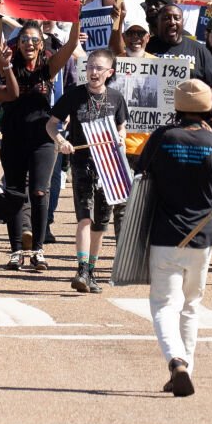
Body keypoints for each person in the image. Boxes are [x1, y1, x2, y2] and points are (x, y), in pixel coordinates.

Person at [131, 78, 212, 398]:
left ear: (177, 107)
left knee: (164, 306)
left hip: (165, 233)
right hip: (203, 236)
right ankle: (187, 369)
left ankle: (175, 361)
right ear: (207, 108)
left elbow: (142, 173)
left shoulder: (162, 137)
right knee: (191, 306)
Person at [0, 14, 82, 272]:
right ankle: (16, 250)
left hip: (42, 138)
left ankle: (38, 250)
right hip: (14, 136)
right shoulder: (9, 63)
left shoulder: (48, 67)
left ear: (41, 44)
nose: (29, 44)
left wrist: (75, 14)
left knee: (40, 192)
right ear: (17, 43)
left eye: (34, 40)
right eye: (24, 39)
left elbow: (73, 42)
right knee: (15, 193)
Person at [47, 47, 129, 293]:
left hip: (108, 165)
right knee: (85, 216)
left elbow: (122, 127)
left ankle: (92, 271)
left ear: (109, 72)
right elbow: (52, 125)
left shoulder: (116, 98)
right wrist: (61, 141)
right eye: (90, 66)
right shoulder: (74, 95)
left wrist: (121, 140)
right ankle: (81, 269)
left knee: (101, 222)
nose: (93, 72)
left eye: (99, 68)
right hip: (81, 162)